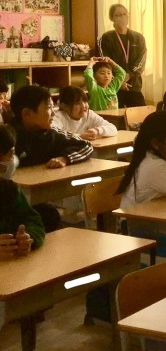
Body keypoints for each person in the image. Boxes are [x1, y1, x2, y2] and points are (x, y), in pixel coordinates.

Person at [10, 85, 94, 231]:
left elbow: (85, 145)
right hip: (10, 202)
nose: (54, 112)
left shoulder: (51, 134)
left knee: (50, 216)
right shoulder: (7, 137)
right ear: (27, 113)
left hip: (36, 200)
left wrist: (65, 158)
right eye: (49, 107)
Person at [0, 124, 45, 261]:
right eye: (10, 155)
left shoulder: (9, 188)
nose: (13, 160)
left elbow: (31, 219)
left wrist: (28, 237)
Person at [98, 3, 147, 107]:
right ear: (112, 18)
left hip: (133, 85)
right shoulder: (106, 38)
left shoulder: (138, 38)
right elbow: (105, 61)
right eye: (118, 15)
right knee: (115, 114)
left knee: (141, 114)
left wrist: (128, 75)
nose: (122, 17)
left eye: (125, 14)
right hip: (114, 86)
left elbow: (141, 61)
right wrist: (118, 81)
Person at [52, 86, 117, 140]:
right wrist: (80, 137)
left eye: (85, 101)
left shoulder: (89, 114)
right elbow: (54, 135)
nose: (84, 106)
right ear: (64, 106)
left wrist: (97, 131)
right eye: (77, 103)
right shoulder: (58, 117)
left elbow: (113, 128)